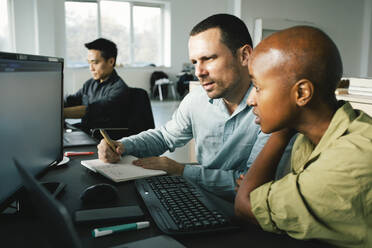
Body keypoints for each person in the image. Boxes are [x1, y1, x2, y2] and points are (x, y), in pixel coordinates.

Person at [97, 14, 293, 200]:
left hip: (248, 214)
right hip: (201, 198)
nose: (198, 72)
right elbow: (165, 136)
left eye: (208, 59)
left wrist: (180, 170)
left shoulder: (272, 109)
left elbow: (253, 184)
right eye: (194, 62)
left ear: (244, 56)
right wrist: (122, 145)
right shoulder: (197, 99)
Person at [234, 26, 372, 247]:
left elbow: (245, 205)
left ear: (301, 93)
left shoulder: (348, 160)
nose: (251, 100)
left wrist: (280, 133)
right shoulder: (307, 139)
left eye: (258, 88)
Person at [64, 38, 129, 136]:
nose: (91, 68)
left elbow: (93, 109)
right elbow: (72, 100)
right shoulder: (89, 84)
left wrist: (60, 114)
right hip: (85, 131)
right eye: (89, 63)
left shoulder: (119, 89)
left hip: (102, 138)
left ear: (111, 61)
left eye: (95, 63)